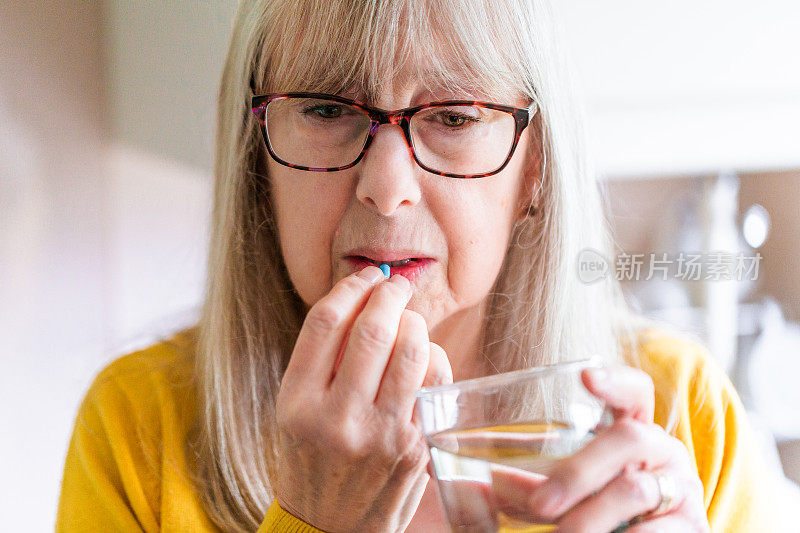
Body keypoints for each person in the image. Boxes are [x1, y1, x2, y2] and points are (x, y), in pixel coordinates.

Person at [56, 0, 780, 531]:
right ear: (256, 165)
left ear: (535, 172)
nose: (387, 185)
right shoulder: (137, 430)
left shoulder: (681, 413)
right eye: (325, 108)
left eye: (456, 117)